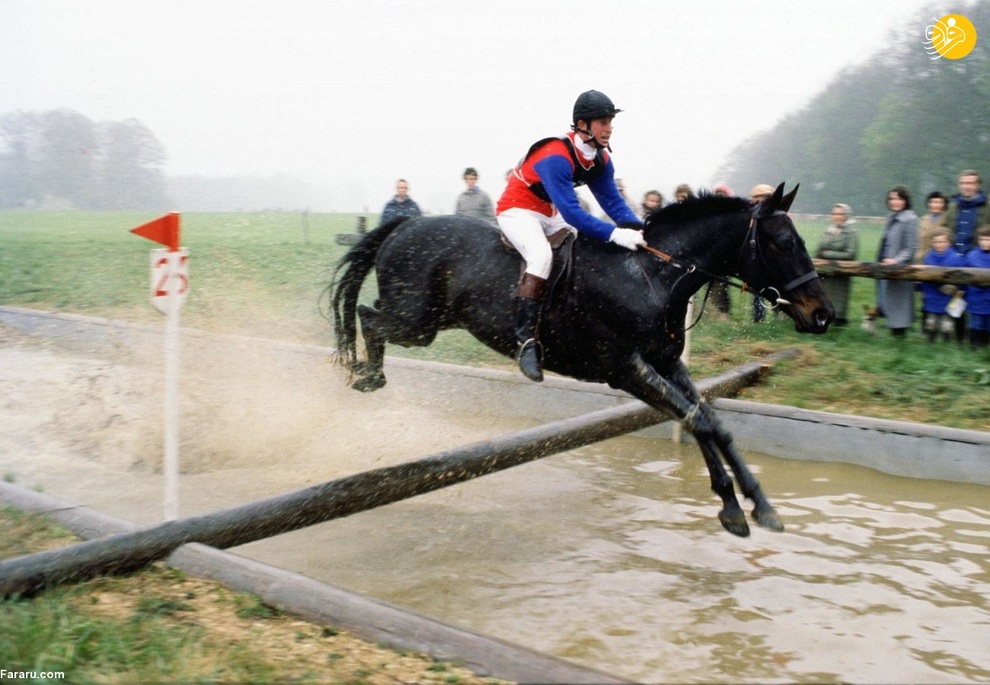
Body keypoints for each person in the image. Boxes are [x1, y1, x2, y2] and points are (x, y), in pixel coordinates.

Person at [496, 89, 645, 382]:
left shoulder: (600, 158)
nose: (609, 128)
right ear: (582, 125)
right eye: (603, 121)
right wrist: (616, 235)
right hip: (517, 209)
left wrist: (641, 230)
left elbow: (613, 203)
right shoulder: (555, 155)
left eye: (610, 121)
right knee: (541, 256)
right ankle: (524, 340)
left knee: (584, 247)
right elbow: (575, 213)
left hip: (549, 211)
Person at [943, 170, 989, 342]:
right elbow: (946, 228)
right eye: (963, 183)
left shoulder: (986, 207)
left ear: (977, 185)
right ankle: (959, 335)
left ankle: (979, 334)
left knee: (978, 298)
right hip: (955, 257)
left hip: (978, 259)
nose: (966, 187)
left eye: (970, 183)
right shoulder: (954, 206)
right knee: (956, 295)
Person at [876, 186, 919, 337]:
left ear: (906, 200)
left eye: (899, 198)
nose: (895, 202)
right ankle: (895, 333)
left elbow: (910, 248)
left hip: (900, 268)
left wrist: (895, 260)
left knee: (900, 304)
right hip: (886, 266)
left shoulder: (911, 219)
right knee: (889, 302)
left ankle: (900, 335)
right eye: (892, 198)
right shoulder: (891, 217)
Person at [814, 203, 858, 326]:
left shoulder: (851, 232)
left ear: (846, 215)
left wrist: (828, 254)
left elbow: (850, 254)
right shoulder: (829, 230)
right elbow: (819, 250)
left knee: (838, 301)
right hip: (825, 273)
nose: (837, 216)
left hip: (840, 273)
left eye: (840, 214)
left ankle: (839, 323)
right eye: (834, 214)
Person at [919, 230, 965, 343]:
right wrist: (925, 291)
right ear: (932, 243)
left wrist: (956, 290)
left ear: (949, 242)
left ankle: (945, 342)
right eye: (937, 242)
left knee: (947, 323)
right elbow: (925, 276)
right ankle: (931, 341)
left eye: (943, 241)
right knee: (931, 321)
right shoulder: (928, 257)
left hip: (948, 295)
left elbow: (960, 277)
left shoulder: (955, 258)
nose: (940, 244)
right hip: (932, 294)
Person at [748, 184, 777, 322]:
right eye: (757, 197)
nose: (760, 200)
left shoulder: (776, 214)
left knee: (775, 288)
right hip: (756, 257)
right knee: (756, 290)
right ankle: (758, 317)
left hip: (772, 257)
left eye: (764, 197)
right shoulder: (750, 214)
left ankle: (779, 313)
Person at [963, 225, 990, 349]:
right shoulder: (971, 255)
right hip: (975, 297)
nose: (985, 242)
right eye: (982, 239)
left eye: (988, 239)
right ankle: (974, 345)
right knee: (976, 322)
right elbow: (964, 274)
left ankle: (986, 345)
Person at [915, 191, 948, 262]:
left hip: (941, 261)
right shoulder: (922, 220)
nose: (935, 205)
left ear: (944, 205)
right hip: (921, 260)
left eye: (939, 202)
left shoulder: (948, 220)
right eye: (933, 202)